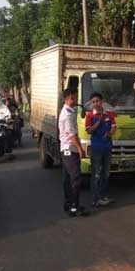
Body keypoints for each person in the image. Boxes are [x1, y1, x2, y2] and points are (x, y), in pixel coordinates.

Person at [58, 88, 88, 217]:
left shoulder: (69, 110)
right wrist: (80, 149)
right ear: (70, 97)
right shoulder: (67, 114)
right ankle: (74, 207)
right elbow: (72, 135)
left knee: (67, 178)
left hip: (66, 149)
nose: (76, 100)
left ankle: (68, 203)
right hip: (70, 149)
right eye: (75, 97)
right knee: (76, 179)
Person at [85, 92, 116, 208]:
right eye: (93, 102)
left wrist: (109, 133)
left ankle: (104, 196)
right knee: (96, 174)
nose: (95, 104)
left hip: (107, 148)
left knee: (106, 174)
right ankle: (95, 199)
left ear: (101, 101)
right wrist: (99, 122)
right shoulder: (90, 116)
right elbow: (89, 130)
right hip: (96, 149)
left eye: (97, 101)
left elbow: (114, 127)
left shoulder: (109, 114)